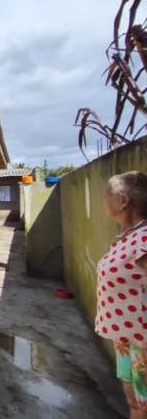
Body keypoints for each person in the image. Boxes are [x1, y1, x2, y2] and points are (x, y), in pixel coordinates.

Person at [96, 171, 147, 418]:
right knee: (133, 401)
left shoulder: (144, 238)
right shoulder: (127, 236)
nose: (103, 200)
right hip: (126, 339)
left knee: (144, 403)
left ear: (124, 201)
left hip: (143, 343)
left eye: (107, 194)